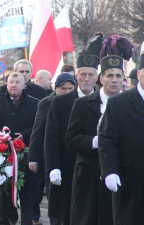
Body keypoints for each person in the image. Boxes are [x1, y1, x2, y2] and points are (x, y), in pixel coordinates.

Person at [98, 50, 144, 224]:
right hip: (131, 180)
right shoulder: (119, 103)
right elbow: (107, 140)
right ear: (139, 74)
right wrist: (109, 171)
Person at [66, 55, 125, 225]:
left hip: (120, 173)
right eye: (109, 75)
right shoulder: (83, 104)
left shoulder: (130, 104)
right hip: (89, 175)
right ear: (101, 79)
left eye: (118, 76)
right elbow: (71, 138)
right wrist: (97, 141)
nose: (114, 80)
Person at [44, 52, 99, 225]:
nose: (86, 78)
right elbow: (51, 137)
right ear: (76, 76)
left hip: (94, 169)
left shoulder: (105, 101)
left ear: (97, 76)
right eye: (83, 74)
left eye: (91, 74)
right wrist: (53, 167)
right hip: (68, 167)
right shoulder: (61, 102)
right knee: (67, 215)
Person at [0, 72, 39, 225]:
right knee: (3, 191)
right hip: (3, 153)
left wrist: (25, 135)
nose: (13, 85)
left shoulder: (35, 103)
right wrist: (1, 135)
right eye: (11, 82)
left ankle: (26, 221)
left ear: (24, 85)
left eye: (17, 82)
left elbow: (39, 126)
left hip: (26, 154)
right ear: (6, 84)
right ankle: (4, 220)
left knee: (27, 191)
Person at [28, 72, 76, 224]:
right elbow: (38, 132)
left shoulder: (79, 102)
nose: (67, 92)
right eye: (63, 88)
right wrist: (33, 158)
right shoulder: (46, 103)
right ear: (56, 89)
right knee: (54, 195)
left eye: (70, 88)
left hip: (72, 156)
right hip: (50, 156)